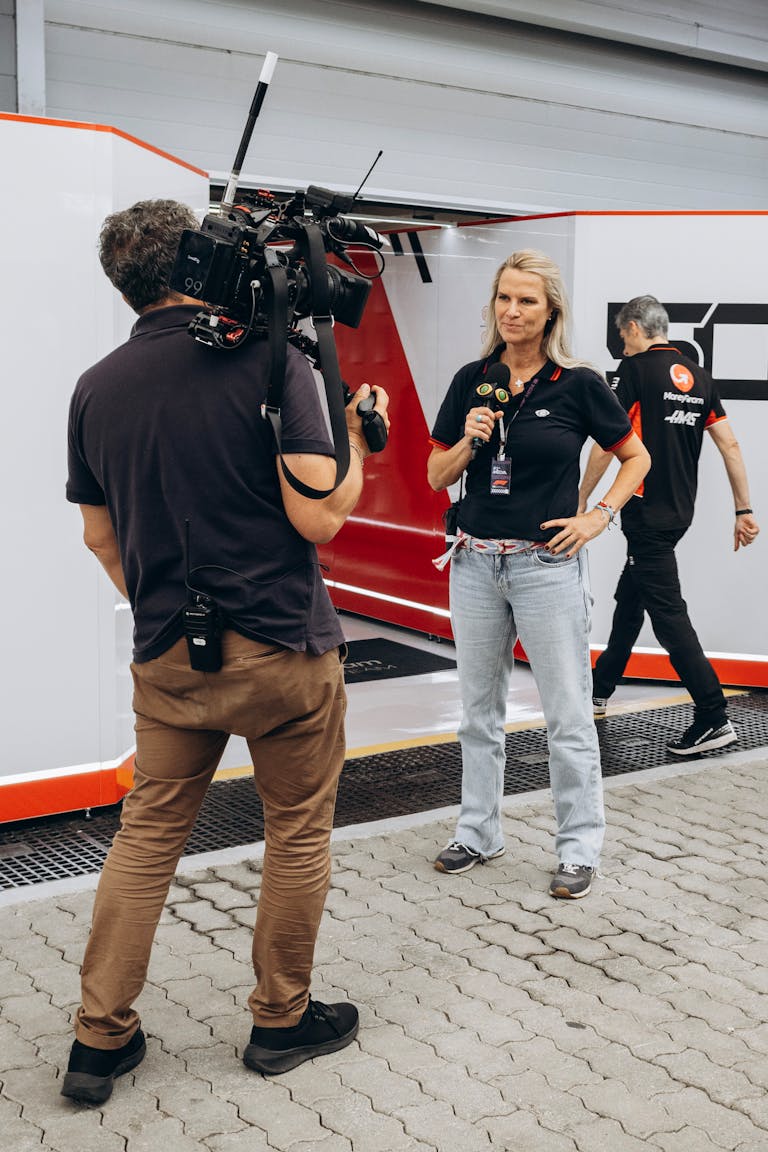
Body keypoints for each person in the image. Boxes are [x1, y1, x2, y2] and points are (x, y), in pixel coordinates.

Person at [61, 199, 390, 1103]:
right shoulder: (276, 360)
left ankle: (99, 1042)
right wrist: (357, 441)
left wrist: (162, 604)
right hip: (285, 652)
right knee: (295, 836)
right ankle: (281, 1021)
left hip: (168, 656)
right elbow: (318, 514)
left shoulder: (96, 385)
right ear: (206, 263)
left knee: (146, 839)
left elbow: (99, 535)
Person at [427, 250, 650, 899]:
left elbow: (633, 458)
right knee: (477, 713)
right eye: (504, 298)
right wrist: (469, 440)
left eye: (526, 300)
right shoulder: (474, 378)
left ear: (550, 309)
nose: (512, 311)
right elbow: (436, 475)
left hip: (545, 567)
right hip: (472, 562)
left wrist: (599, 516)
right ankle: (478, 832)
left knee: (568, 716)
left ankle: (578, 847)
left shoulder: (578, 383)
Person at [580, 295, 759, 753]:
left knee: (667, 615)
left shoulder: (637, 373)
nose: (622, 347)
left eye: (622, 337)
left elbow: (608, 443)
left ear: (636, 327)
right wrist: (743, 510)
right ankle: (598, 691)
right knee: (630, 598)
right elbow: (731, 446)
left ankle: (713, 716)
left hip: (647, 514)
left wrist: (583, 499)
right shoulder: (698, 376)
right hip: (680, 512)